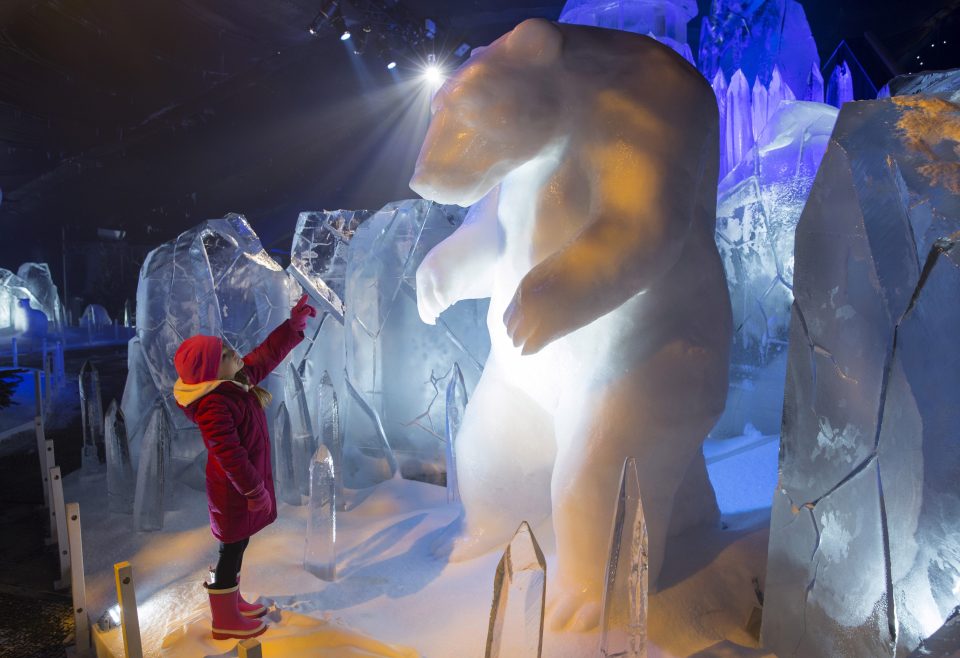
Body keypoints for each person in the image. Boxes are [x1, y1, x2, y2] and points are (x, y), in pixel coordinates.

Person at [173, 294, 316, 640]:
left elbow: (265, 355)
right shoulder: (213, 405)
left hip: (242, 490)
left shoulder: (236, 381)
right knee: (232, 549)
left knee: (238, 546)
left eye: (226, 347)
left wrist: (293, 325)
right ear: (210, 373)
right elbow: (230, 455)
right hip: (233, 492)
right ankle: (224, 619)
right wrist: (254, 491)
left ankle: (232, 604)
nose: (233, 352)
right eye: (223, 356)